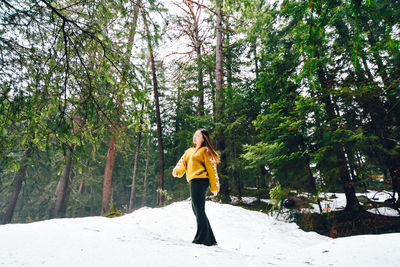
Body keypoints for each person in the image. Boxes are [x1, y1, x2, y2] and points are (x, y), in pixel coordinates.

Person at [172, 128, 220, 246]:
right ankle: (210, 239)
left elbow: (212, 170)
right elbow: (182, 162)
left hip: (201, 180)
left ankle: (200, 238)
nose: (195, 137)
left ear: (204, 138)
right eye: (195, 135)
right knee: (196, 209)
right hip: (193, 181)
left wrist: (215, 187)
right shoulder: (189, 151)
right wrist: (177, 171)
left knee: (198, 208)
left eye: (198, 136)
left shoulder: (206, 151)